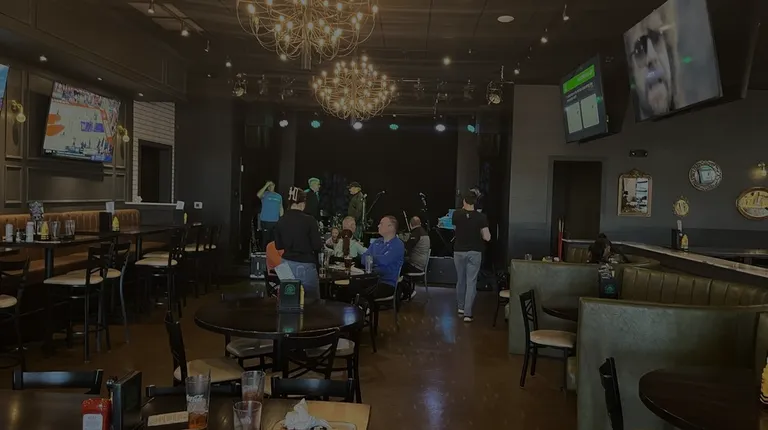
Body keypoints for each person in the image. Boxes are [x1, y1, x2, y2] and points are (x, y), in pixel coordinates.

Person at [274, 187, 323, 299]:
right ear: (302, 203)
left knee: (288, 301)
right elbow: (317, 245)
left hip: (286, 265)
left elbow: (278, 246)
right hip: (305, 266)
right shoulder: (310, 220)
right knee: (312, 302)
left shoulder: (281, 220)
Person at [452, 191, 491, 323]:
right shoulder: (481, 217)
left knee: (460, 280)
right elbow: (487, 237)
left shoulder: (456, 214)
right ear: (475, 202)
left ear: (464, 201)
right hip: (475, 252)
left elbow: (454, 228)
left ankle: (460, 307)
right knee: (471, 282)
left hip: (459, 252)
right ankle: (467, 314)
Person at [358, 216, 405, 300]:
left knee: (361, 293)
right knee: (350, 287)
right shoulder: (376, 241)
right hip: (371, 279)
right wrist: (376, 260)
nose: (378, 226)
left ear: (390, 227)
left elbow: (384, 261)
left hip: (387, 283)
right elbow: (363, 259)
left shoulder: (398, 244)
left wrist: (371, 259)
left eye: (381, 224)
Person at [402, 216, 430, 299]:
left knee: (395, 268)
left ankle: (408, 291)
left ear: (410, 225)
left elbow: (406, 248)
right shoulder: (424, 232)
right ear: (420, 223)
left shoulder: (416, 233)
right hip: (421, 264)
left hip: (415, 266)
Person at [257, 180, 283, 247]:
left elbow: (281, 208)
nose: (271, 187)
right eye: (269, 186)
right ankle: (265, 252)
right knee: (265, 240)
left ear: (274, 186)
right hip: (266, 221)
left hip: (275, 221)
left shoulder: (278, 196)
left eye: (272, 185)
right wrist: (266, 185)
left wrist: (282, 219)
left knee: (274, 241)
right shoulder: (265, 194)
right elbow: (258, 195)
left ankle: (272, 253)